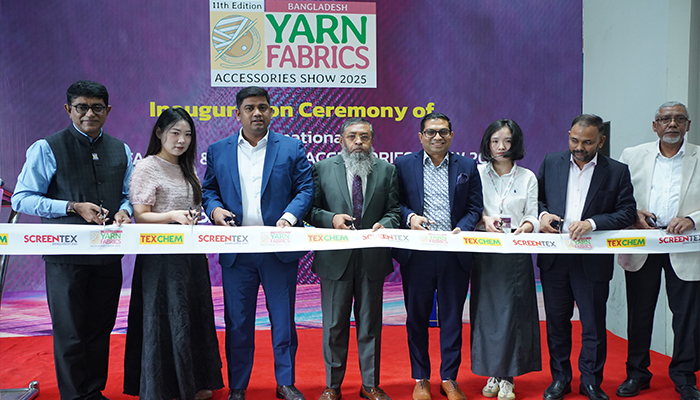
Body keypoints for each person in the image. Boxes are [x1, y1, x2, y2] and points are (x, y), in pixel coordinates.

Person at [11, 80, 133, 400]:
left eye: (97, 107)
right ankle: (75, 396)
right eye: (82, 107)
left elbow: (128, 195)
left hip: (108, 255)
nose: (89, 113)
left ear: (108, 110)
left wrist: (125, 211)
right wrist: (71, 207)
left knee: (100, 328)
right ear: (68, 110)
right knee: (70, 331)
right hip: (64, 257)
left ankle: (93, 392)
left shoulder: (120, 149)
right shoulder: (47, 148)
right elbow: (22, 198)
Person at [202, 86, 313, 400]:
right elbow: (209, 191)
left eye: (263, 107)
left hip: (278, 249)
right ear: (237, 113)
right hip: (238, 252)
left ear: (271, 111)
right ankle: (238, 386)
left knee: (283, 321)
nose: (257, 113)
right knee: (238, 322)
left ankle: (285, 382)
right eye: (249, 108)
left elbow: (305, 189)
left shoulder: (290, 147)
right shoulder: (218, 150)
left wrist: (289, 218)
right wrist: (214, 210)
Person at [123, 107, 224, 400]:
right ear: (159, 133)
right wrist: (173, 216)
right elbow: (140, 216)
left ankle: (194, 383)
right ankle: (165, 387)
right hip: (160, 258)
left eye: (187, 135)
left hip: (191, 256)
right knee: (168, 318)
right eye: (175, 133)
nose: (181, 140)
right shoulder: (147, 167)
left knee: (193, 316)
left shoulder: (187, 167)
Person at [537, 114, 636, 400]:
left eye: (587, 142)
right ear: (568, 136)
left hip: (592, 260)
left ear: (601, 141)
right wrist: (543, 215)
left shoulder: (616, 171)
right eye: (574, 140)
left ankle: (591, 381)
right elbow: (536, 199)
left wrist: (592, 223)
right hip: (555, 259)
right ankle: (560, 380)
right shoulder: (551, 162)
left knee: (593, 325)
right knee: (557, 323)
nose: (579, 147)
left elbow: (627, 211)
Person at [307, 117, 401, 400]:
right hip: (335, 260)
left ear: (372, 141)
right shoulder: (322, 168)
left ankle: (370, 385)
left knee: (369, 325)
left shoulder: (387, 170)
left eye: (364, 137)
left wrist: (386, 223)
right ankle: (332, 386)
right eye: (352, 136)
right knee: (334, 325)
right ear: (341, 140)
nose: (358, 142)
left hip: (372, 259)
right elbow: (310, 211)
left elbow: (394, 211)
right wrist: (332, 218)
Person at [392, 112, 482, 400]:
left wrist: (462, 228)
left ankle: (449, 378)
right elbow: (395, 203)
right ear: (421, 136)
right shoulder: (403, 164)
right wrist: (411, 218)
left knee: (452, 319)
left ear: (451, 135)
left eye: (443, 131)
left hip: (454, 254)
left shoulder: (466, 165)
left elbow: (475, 207)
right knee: (417, 318)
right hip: (418, 253)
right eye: (430, 132)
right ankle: (421, 378)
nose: (437, 137)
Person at [616, 102, 700, 400]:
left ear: (688, 125)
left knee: (687, 318)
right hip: (644, 245)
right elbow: (618, 196)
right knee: (639, 314)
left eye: (679, 119)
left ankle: (685, 377)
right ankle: (637, 374)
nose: (672, 124)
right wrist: (633, 214)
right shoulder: (632, 155)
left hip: (685, 247)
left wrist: (693, 219)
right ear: (655, 126)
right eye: (665, 119)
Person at [470, 119, 541, 400]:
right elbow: (469, 209)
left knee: (513, 315)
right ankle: (493, 372)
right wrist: (483, 219)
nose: (501, 147)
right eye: (495, 141)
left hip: (515, 253)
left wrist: (527, 226)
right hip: (485, 252)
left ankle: (508, 378)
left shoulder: (527, 177)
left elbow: (532, 213)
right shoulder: (476, 173)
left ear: (516, 143)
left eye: (508, 141)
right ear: (487, 143)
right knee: (487, 315)